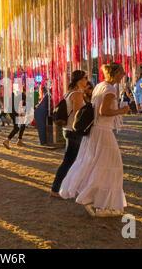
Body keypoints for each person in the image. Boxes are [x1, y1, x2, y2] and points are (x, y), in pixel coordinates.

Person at [59, 63, 129, 217]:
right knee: (110, 166)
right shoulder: (110, 89)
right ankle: (98, 203)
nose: (123, 75)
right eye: (122, 72)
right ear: (115, 73)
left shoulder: (100, 86)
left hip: (96, 131)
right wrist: (121, 111)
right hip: (103, 132)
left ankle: (94, 200)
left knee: (94, 164)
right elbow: (104, 111)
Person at [50, 70, 88, 198]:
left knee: (72, 160)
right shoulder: (77, 94)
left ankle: (67, 187)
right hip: (73, 131)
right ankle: (56, 188)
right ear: (79, 80)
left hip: (68, 129)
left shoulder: (69, 93)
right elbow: (78, 114)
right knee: (70, 161)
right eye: (85, 78)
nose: (86, 80)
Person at [3, 85, 27, 149]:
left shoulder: (16, 94)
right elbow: (20, 104)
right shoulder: (23, 95)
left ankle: (19, 140)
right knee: (16, 128)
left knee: (23, 125)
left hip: (12, 112)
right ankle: (7, 140)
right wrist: (20, 113)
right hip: (16, 113)